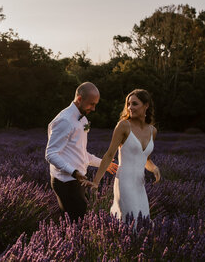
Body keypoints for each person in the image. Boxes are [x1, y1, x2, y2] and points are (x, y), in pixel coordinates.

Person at [45, 82, 118, 222]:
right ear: (79, 99)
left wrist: (103, 164)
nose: (94, 108)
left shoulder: (82, 118)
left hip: (77, 180)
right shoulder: (64, 120)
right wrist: (74, 172)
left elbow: (81, 153)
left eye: (95, 104)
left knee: (76, 223)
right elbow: (51, 154)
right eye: (91, 104)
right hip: (65, 182)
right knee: (75, 224)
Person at [87, 89, 161, 222]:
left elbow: (146, 159)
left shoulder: (152, 131)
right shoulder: (123, 126)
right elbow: (109, 154)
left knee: (143, 221)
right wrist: (96, 181)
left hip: (140, 184)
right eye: (128, 104)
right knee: (129, 222)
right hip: (124, 183)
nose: (129, 107)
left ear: (146, 105)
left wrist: (154, 168)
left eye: (134, 104)